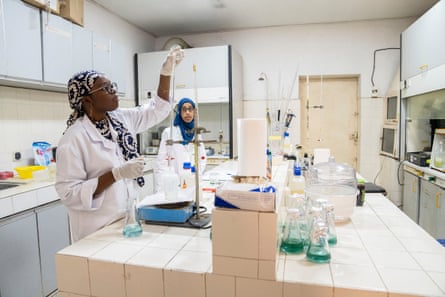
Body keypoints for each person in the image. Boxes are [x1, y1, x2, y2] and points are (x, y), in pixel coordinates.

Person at [55, 46, 184, 242]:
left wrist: (166, 73)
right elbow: (69, 193)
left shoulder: (119, 119)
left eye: (112, 86)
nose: (114, 92)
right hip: (96, 230)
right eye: (106, 89)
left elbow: (156, 110)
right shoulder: (73, 139)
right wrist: (115, 174)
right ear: (87, 99)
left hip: (127, 220)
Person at [155, 97, 207, 192]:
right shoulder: (169, 132)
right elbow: (161, 162)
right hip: (174, 184)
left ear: (194, 112)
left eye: (190, 109)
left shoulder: (197, 133)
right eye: (184, 109)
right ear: (179, 112)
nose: (187, 112)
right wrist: (161, 189)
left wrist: (196, 175)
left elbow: (202, 157)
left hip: (192, 182)